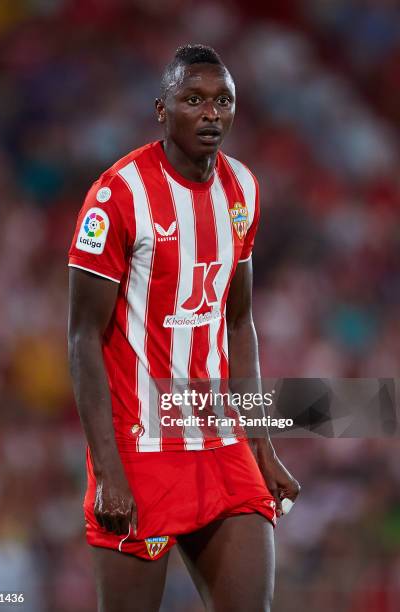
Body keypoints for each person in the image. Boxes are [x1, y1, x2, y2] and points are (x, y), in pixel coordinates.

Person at [68, 44, 300, 612]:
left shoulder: (243, 189)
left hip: (220, 443)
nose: (211, 113)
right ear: (161, 109)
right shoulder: (117, 196)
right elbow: (82, 338)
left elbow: (239, 322)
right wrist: (108, 471)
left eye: (223, 101)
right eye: (193, 99)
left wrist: (262, 448)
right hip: (140, 449)